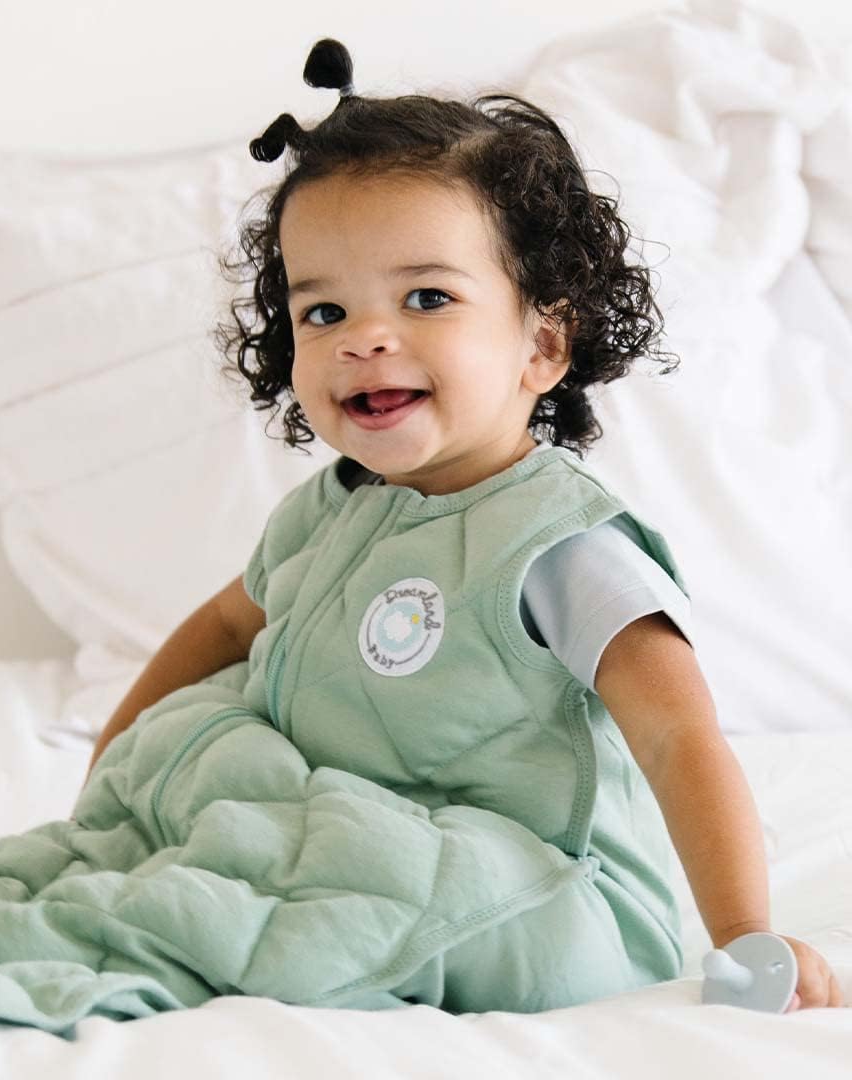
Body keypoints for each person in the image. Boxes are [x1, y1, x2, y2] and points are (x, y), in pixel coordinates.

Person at [85, 39, 842, 1012]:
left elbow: (677, 738)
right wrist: (118, 753)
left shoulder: (561, 544)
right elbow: (230, 625)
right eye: (323, 311)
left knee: (334, 861)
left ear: (543, 343)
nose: (365, 337)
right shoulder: (324, 513)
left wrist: (743, 933)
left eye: (427, 298)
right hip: (355, 842)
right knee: (201, 733)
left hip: (534, 898)